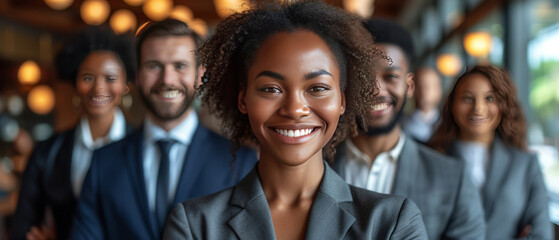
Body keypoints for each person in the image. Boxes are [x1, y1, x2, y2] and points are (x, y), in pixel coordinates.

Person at [163, 2, 428, 239]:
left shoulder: (392, 223)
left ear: (343, 100)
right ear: (242, 99)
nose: (294, 108)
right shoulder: (194, 226)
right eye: (271, 89)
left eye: (317, 88)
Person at [70, 19, 258, 240]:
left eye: (179, 66)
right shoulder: (103, 163)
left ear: (199, 75)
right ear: (138, 75)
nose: (167, 79)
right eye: (154, 66)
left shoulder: (239, 162)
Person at [331, 19, 485, 239]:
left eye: (390, 76)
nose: (376, 90)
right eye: (363, 76)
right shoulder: (316, 166)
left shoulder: (453, 179)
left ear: (409, 85)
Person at [12, 27, 135, 240]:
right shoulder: (46, 153)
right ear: (75, 84)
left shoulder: (145, 146)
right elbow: (24, 228)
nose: (98, 88)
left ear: (126, 86)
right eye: (88, 78)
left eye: (110, 78)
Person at [429, 65, 553, 239]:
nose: (478, 109)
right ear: (452, 105)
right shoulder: (430, 160)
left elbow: (541, 234)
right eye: (467, 99)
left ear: (503, 105)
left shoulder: (526, 164)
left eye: (490, 99)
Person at [402, 66, 442, 143]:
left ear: (439, 91)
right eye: (419, 86)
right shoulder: (400, 126)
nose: (423, 91)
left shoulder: (446, 128)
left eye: (429, 86)